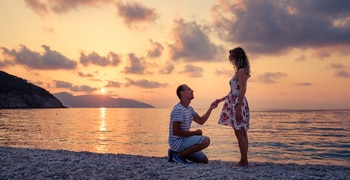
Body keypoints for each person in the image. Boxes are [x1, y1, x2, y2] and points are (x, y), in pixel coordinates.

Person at [216, 47, 251, 167]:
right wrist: (221, 100)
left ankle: (244, 161)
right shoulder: (239, 71)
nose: (231, 61)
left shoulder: (241, 71)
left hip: (238, 103)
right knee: (241, 132)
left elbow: (243, 90)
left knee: (239, 133)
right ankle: (244, 160)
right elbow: (232, 91)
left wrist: (238, 108)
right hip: (235, 102)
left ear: (237, 57)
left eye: (232, 58)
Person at [168, 84, 219, 164]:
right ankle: (179, 156)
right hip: (177, 142)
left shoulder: (190, 109)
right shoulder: (179, 109)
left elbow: (201, 121)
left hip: (183, 141)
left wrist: (211, 108)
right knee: (205, 141)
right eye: (189, 90)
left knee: (204, 160)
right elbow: (176, 132)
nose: (192, 91)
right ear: (182, 93)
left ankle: (174, 153)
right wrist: (194, 133)